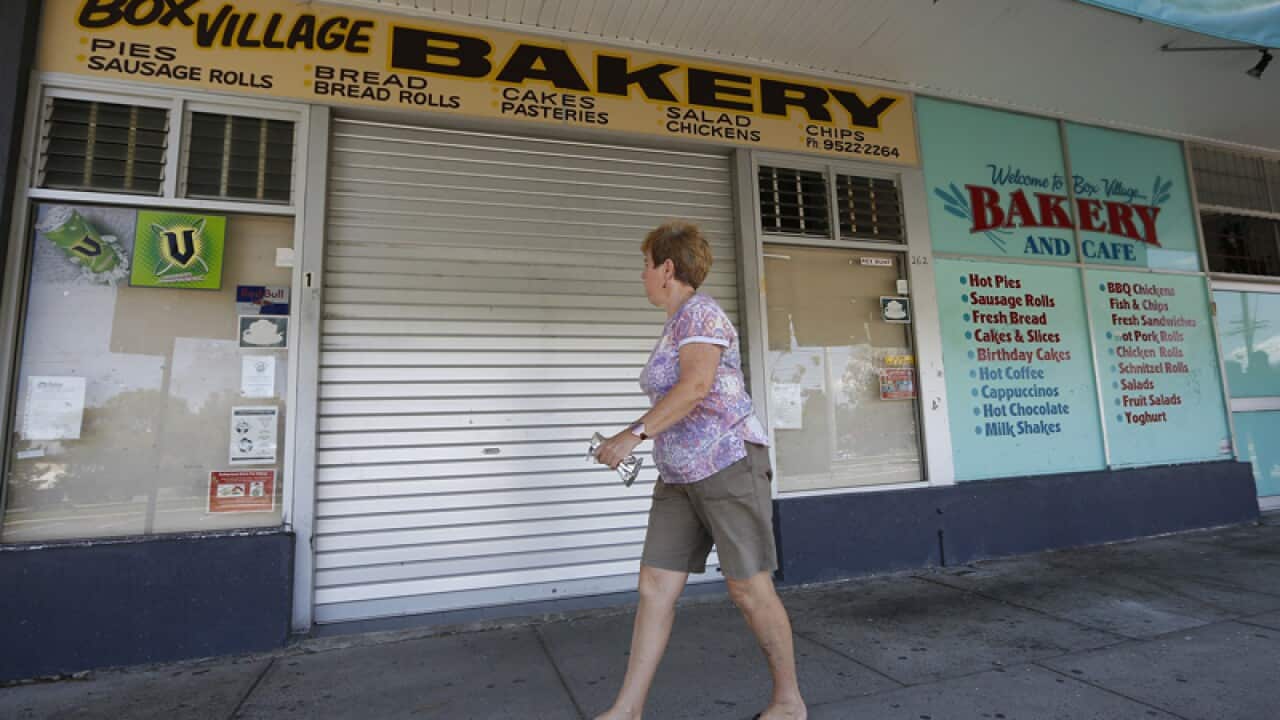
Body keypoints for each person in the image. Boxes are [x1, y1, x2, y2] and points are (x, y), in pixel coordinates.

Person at [592, 220, 807, 720]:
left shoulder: (701, 314)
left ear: (667, 268)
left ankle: (788, 702)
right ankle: (626, 711)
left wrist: (633, 435)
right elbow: (677, 397)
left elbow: (695, 387)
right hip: (678, 476)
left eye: (645, 265)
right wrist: (635, 433)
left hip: (727, 463)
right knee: (655, 585)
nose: (641, 275)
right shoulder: (676, 323)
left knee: (748, 588)